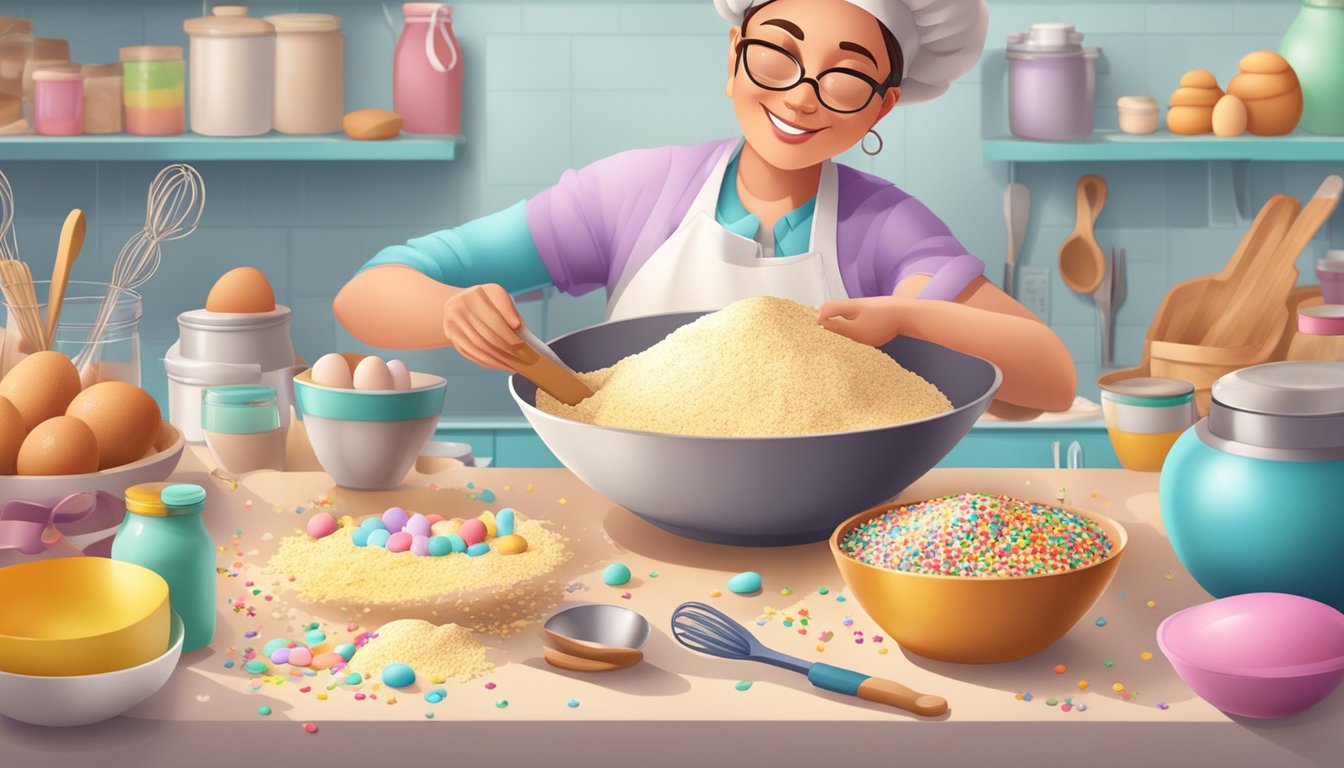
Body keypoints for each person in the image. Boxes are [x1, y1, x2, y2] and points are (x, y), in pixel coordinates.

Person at [336, 0, 1077, 413]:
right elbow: (369, 289)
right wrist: (448, 311)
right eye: (776, 55)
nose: (798, 96)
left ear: (880, 108)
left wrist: (914, 316)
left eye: (845, 79)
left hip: (827, 532)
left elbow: (1050, 376)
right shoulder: (634, 194)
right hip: (628, 518)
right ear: (734, 55)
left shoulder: (885, 230)